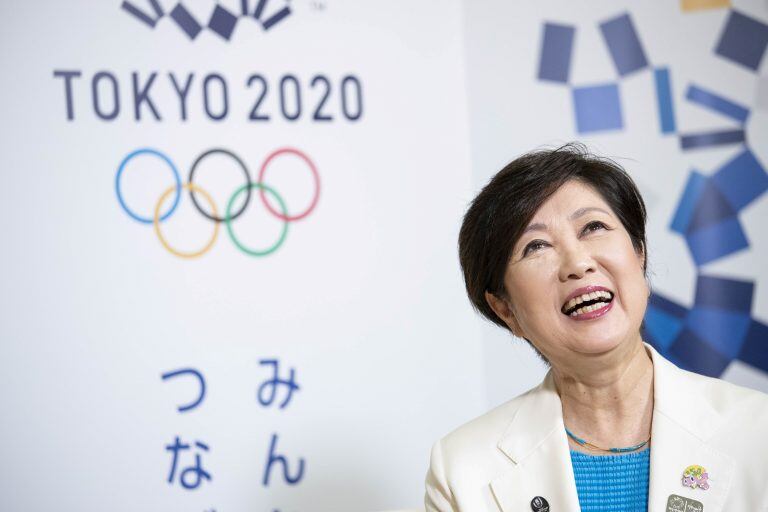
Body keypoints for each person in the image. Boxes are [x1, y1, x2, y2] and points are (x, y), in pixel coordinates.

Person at [424, 143, 768, 512]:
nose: (577, 262)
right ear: (506, 309)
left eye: (593, 227)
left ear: (639, 254)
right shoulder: (463, 470)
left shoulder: (757, 430)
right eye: (536, 246)